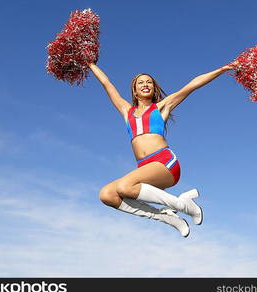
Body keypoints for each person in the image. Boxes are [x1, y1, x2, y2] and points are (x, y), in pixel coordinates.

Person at [88, 61, 238, 237]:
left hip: (165, 162)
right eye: (140, 83)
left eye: (149, 82)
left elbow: (192, 85)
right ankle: (166, 217)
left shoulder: (161, 107)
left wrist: (223, 69)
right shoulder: (126, 111)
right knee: (107, 195)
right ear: (135, 91)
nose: (145, 84)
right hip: (145, 168)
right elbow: (107, 84)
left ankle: (184, 206)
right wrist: (90, 64)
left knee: (124, 186)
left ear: (154, 88)